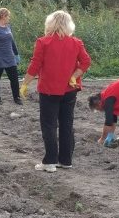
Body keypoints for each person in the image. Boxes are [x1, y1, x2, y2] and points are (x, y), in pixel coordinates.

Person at [20, 10, 91, 172]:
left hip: (49, 90)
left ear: (50, 24)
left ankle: (50, 162)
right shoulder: (76, 42)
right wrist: (75, 76)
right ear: (69, 25)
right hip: (69, 90)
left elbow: (35, 65)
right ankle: (65, 160)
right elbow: (86, 62)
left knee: (49, 125)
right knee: (67, 124)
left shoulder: (43, 42)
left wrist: (24, 84)